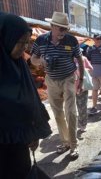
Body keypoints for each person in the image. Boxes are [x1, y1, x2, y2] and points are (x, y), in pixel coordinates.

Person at [0, 13, 52, 178]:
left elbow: (32, 100)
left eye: (27, 42)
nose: (25, 47)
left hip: (19, 145)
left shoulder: (19, 64)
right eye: (20, 42)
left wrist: (33, 131)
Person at [31, 12, 84, 159]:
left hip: (68, 78)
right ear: (52, 26)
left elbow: (79, 60)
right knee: (58, 113)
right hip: (51, 80)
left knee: (71, 112)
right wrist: (41, 60)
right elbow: (33, 59)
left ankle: (74, 145)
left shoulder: (71, 40)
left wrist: (82, 80)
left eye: (65, 29)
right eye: (60, 29)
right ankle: (65, 142)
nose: (63, 32)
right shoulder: (41, 40)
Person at [75, 53, 93, 132]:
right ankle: (75, 123)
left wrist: (83, 70)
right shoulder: (67, 59)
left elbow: (90, 68)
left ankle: (83, 123)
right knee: (71, 108)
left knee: (82, 106)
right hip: (69, 86)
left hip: (82, 86)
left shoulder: (83, 58)